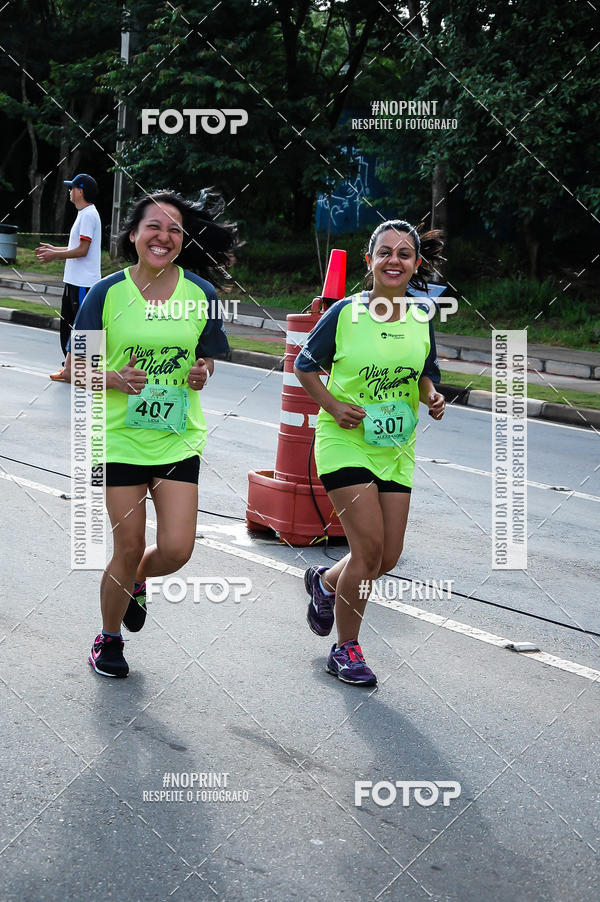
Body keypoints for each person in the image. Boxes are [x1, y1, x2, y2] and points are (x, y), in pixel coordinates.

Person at [70, 189, 239, 678]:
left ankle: (137, 580)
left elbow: (205, 358)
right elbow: (74, 366)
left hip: (176, 437)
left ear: (182, 240)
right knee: (126, 546)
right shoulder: (106, 293)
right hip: (118, 438)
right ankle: (108, 639)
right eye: (154, 227)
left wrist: (203, 371)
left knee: (177, 549)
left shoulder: (201, 295)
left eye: (174, 230)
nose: (163, 236)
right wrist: (113, 378)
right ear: (133, 235)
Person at [294, 219, 446, 687]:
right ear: (370, 260)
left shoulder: (422, 315)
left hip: (396, 447)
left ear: (416, 264)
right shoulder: (345, 313)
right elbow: (304, 365)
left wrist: (431, 396)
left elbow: (424, 371)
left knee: (387, 558)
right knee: (368, 550)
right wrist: (333, 406)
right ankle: (346, 649)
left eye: (404, 254)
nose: (393, 261)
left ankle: (324, 583)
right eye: (385, 252)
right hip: (345, 442)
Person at [35, 173, 102, 381]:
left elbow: (83, 250)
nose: (69, 191)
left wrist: (55, 255)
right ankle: (69, 369)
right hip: (74, 281)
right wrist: (54, 249)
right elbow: (76, 247)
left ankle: (82, 371)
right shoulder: (84, 214)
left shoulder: (89, 215)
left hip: (83, 283)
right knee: (69, 326)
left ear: (80, 191)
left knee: (82, 327)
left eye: (72, 188)